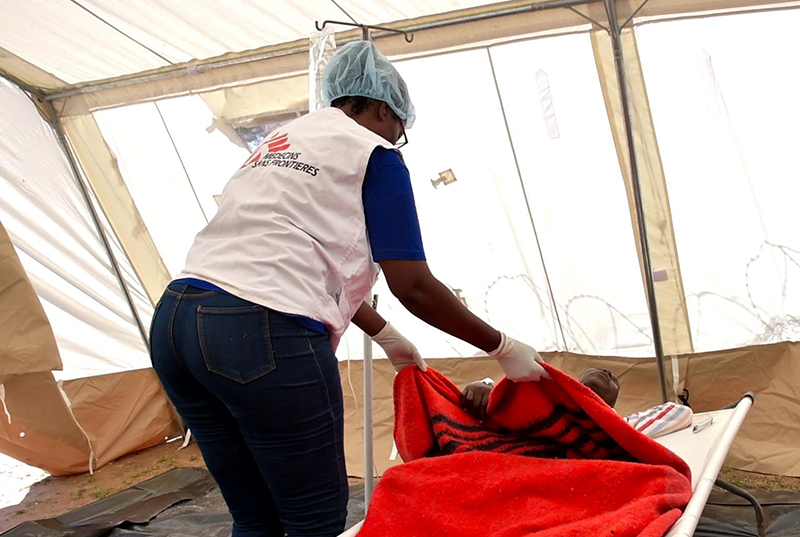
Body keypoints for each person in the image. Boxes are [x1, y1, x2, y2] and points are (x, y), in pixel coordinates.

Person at [149, 41, 548, 537]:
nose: (397, 140)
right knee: (312, 518)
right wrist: (501, 347)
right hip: (260, 332)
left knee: (254, 516)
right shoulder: (374, 154)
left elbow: (299, 257)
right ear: (382, 108)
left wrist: (388, 337)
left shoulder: (280, 142)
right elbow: (413, 283)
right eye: (399, 129)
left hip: (175, 322)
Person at [461, 368, 692, 438]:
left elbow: (679, 412)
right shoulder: (541, 396)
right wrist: (483, 385)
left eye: (613, 381)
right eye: (598, 370)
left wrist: (610, 419)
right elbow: (502, 394)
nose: (607, 372)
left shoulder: (615, 427)